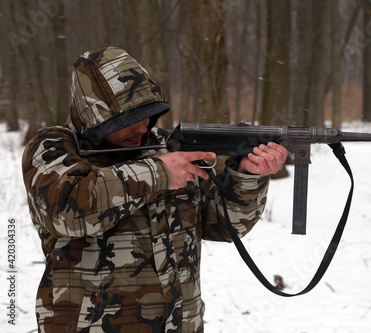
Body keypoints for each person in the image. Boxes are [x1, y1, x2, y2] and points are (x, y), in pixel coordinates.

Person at [22, 46, 288, 332]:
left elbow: (222, 226)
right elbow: (69, 212)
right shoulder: (53, 149)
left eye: (147, 114)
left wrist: (247, 176)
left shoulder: (164, 145)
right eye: (125, 120)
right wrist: (159, 172)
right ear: (95, 119)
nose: (142, 126)